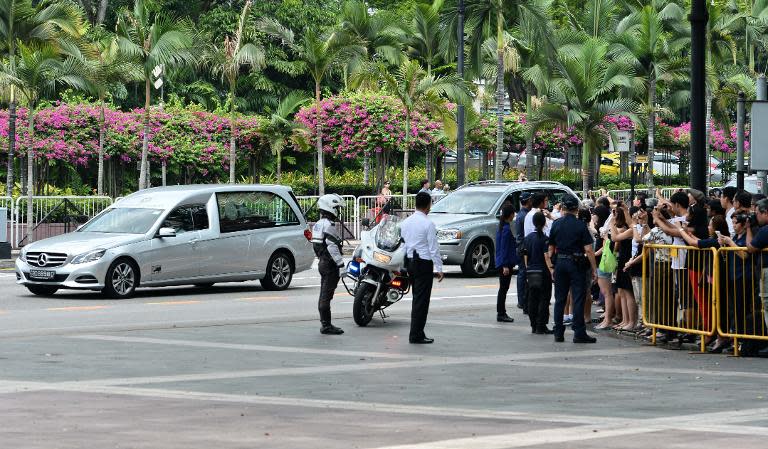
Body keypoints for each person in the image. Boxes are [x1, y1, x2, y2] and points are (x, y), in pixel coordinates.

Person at [548, 195, 598, 343]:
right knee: (578, 298)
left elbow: (550, 248)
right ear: (576, 209)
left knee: (560, 299)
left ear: (563, 208)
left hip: (560, 263)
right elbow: (589, 250)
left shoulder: (556, 224)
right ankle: (579, 332)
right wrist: (594, 269)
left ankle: (558, 331)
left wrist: (552, 266)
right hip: (576, 263)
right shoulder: (580, 225)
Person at [400, 191, 444, 344]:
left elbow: (403, 245)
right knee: (421, 301)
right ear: (428, 205)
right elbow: (433, 248)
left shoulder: (405, 222)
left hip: (410, 262)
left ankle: (417, 332)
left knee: (416, 299)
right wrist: (439, 268)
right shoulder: (428, 223)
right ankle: (416, 334)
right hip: (423, 264)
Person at [311, 194, 347, 335]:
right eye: (337, 208)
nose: (338, 210)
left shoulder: (318, 225)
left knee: (324, 293)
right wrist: (341, 265)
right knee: (326, 295)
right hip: (330, 264)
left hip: (322, 262)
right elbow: (332, 247)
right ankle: (326, 325)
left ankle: (325, 323)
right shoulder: (329, 225)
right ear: (330, 208)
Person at [523, 211, 553, 334]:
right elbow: (546, 256)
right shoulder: (545, 239)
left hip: (531, 271)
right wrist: (551, 269)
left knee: (532, 299)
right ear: (544, 222)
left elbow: (525, 255)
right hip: (543, 272)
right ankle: (541, 325)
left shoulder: (528, 238)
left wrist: (527, 268)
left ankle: (533, 325)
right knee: (544, 299)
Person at [495, 205, 518, 323]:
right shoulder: (506, 229)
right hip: (505, 262)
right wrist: (504, 265)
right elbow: (504, 248)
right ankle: (501, 313)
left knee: (503, 288)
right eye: (513, 213)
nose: (514, 215)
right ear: (510, 215)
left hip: (502, 261)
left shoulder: (501, 227)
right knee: (503, 289)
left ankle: (501, 312)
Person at [515, 192, 533, 312]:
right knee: (523, 273)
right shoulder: (525, 216)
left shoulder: (522, 214)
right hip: (523, 246)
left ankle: (522, 300)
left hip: (520, 245)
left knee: (522, 273)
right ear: (528, 201)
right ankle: (522, 300)